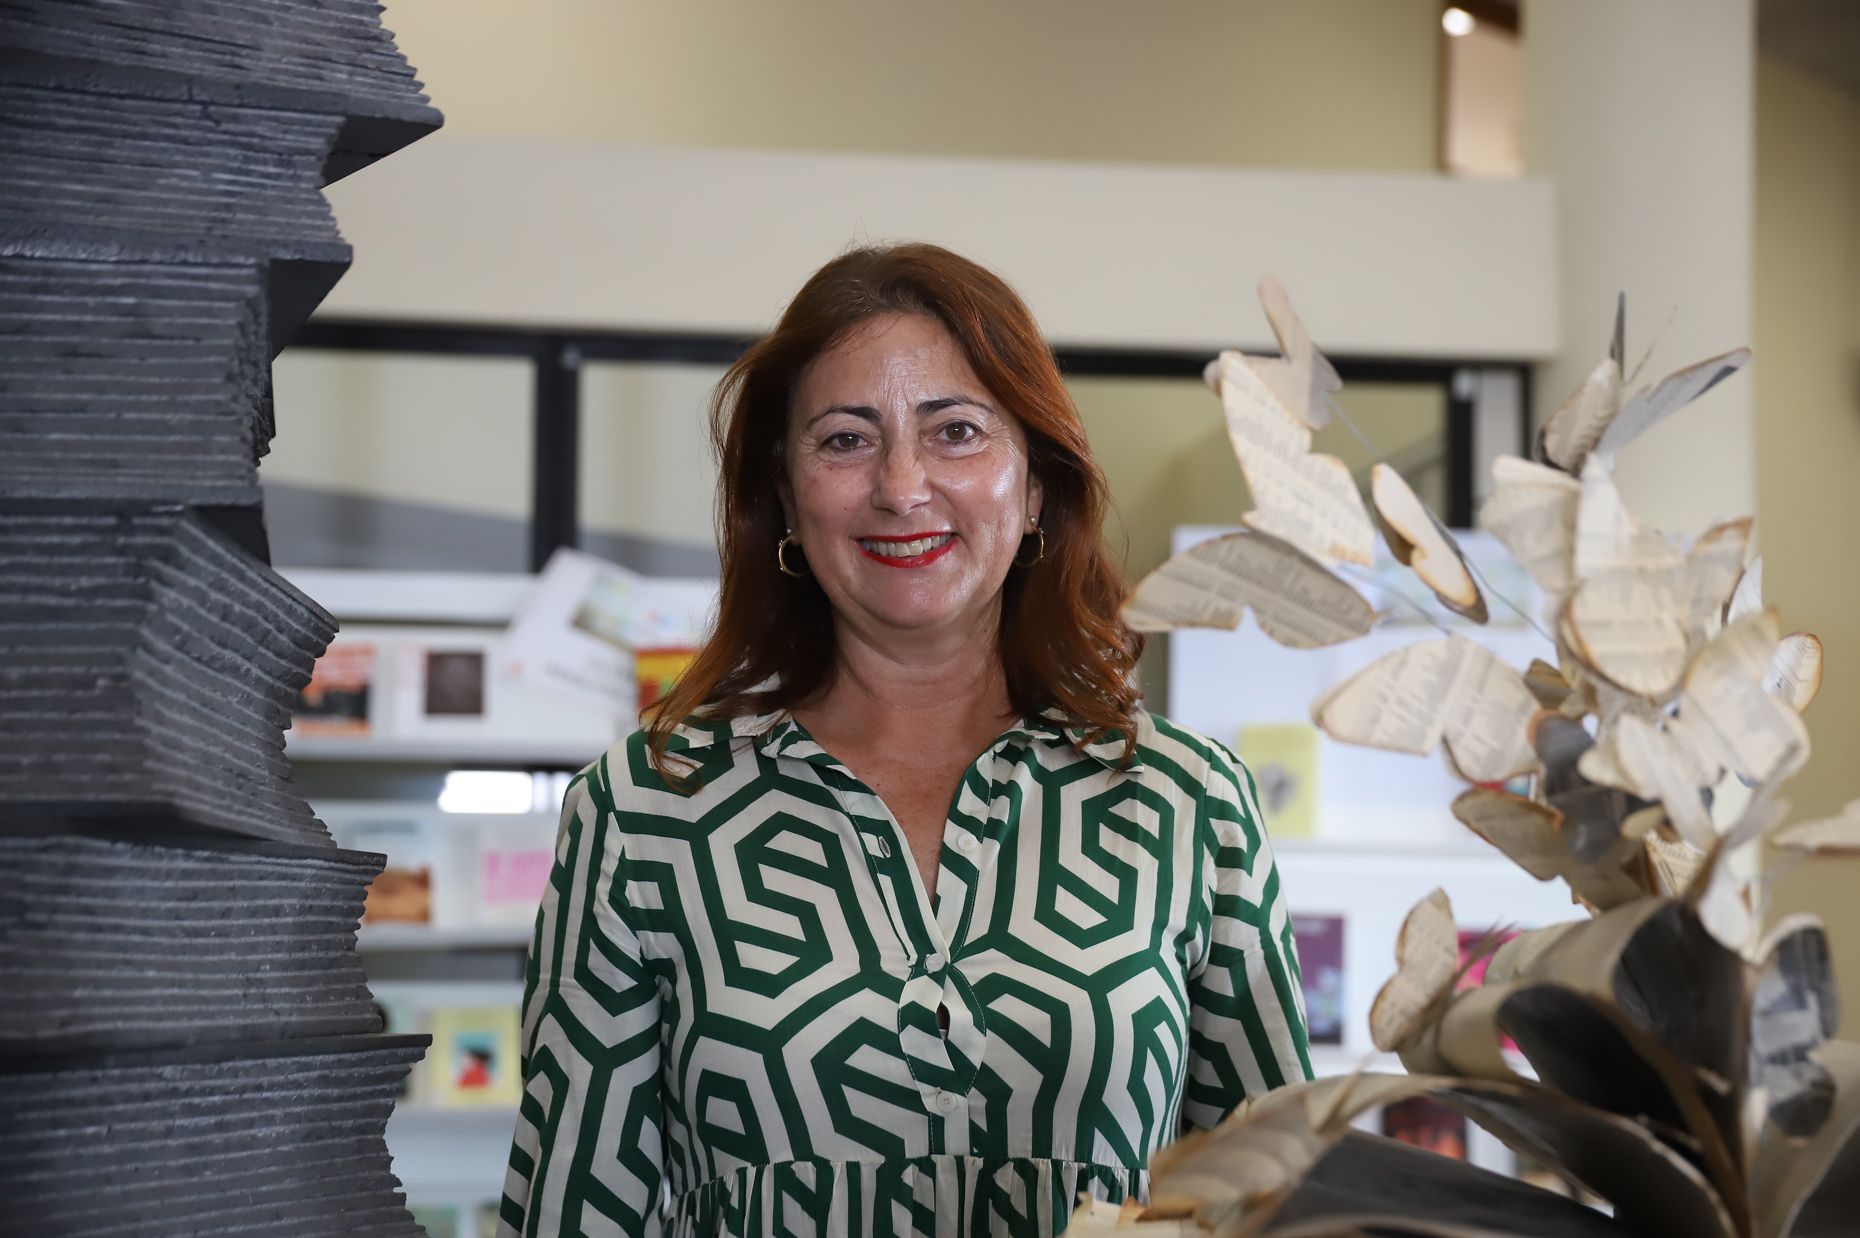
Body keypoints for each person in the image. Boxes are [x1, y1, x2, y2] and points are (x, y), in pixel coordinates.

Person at [497, 243, 1310, 1238]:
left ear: (1038, 484)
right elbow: (567, 1215)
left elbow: (1282, 1199)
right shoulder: (647, 807)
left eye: (956, 431)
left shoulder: (1187, 801)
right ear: (786, 497)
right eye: (844, 440)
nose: (901, 485)